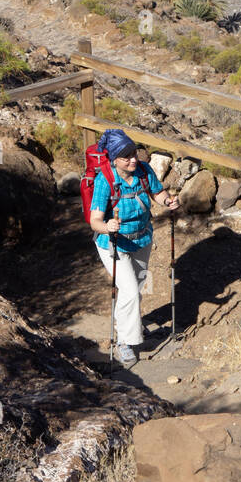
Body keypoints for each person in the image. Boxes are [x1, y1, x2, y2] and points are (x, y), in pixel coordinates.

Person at [88, 129, 178, 364]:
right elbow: (94, 220)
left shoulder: (144, 171)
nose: (133, 160)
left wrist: (168, 201)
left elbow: (157, 193)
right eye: (126, 156)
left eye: (134, 154)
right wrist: (108, 226)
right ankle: (125, 341)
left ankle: (131, 324)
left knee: (136, 287)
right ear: (114, 159)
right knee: (128, 290)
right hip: (113, 243)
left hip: (142, 238)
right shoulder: (104, 181)